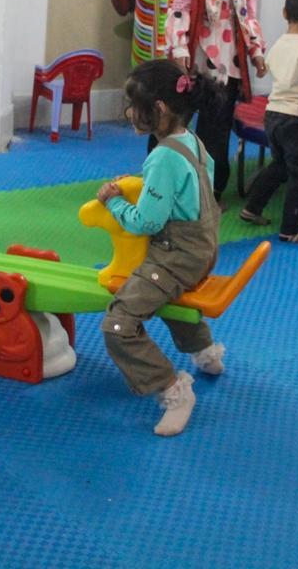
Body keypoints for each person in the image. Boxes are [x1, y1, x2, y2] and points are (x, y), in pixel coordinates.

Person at [96, 60, 228, 436]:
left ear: (159, 108)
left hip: (176, 256)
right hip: (205, 249)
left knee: (118, 323)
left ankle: (173, 390)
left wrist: (113, 203)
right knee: (164, 297)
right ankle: (205, 353)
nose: (128, 113)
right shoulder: (192, 142)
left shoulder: (162, 157)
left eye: (133, 105)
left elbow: (146, 222)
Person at [162, 0, 268, 203]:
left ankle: (209, 194)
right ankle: (163, 184)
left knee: (216, 132)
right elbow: (181, 4)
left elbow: (248, 10)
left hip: (228, 62)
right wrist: (179, 48)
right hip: (195, 58)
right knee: (174, 122)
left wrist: (256, 50)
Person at [239, 0, 298, 245]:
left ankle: (252, 208)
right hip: (297, 120)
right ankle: (290, 230)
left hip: (273, 116)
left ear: (284, 12)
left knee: (280, 166)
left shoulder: (278, 44)